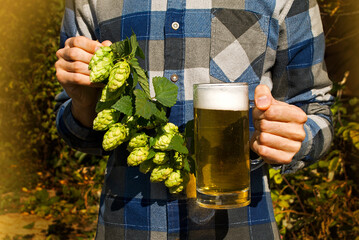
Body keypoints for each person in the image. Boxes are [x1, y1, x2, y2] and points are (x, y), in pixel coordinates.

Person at [55, 0, 333, 239]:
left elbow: (316, 110)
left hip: (243, 225)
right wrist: (84, 104)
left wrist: (297, 136)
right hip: (129, 224)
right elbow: (76, 130)